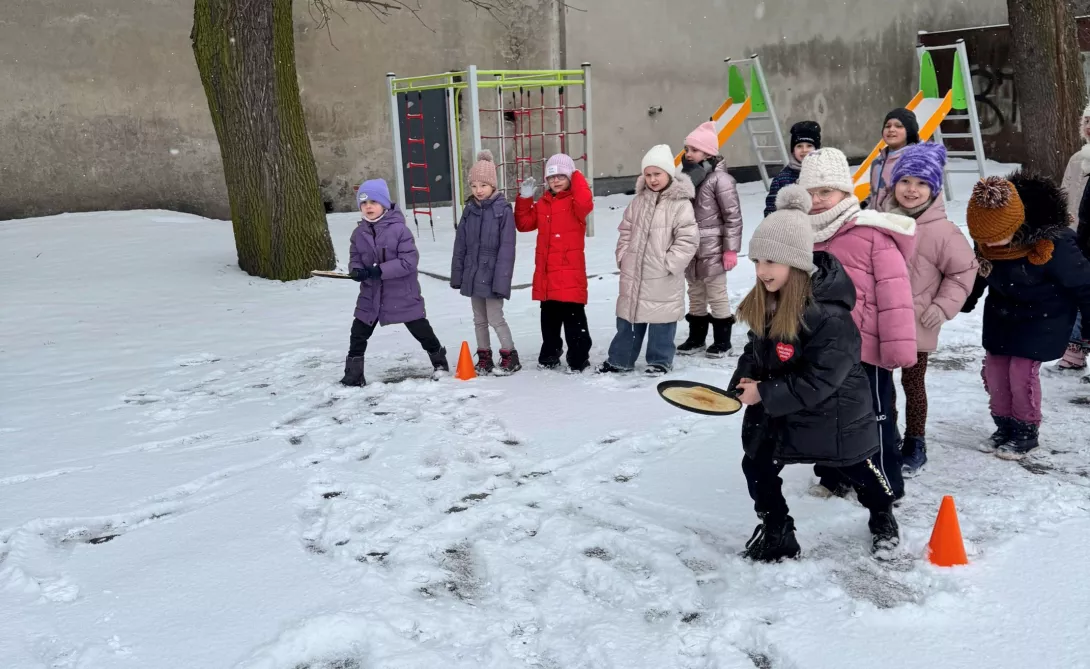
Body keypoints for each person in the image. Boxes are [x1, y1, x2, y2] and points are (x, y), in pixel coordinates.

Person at [730, 184, 900, 562]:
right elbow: (754, 350)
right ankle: (777, 529)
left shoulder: (830, 315)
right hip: (783, 409)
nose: (761, 271)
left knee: (859, 469)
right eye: (757, 261)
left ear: (796, 263)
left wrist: (767, 393)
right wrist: (743, 382)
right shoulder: (769, 299)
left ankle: (882, 514)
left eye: (771, 262)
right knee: (756, 464)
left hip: (835, 414)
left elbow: (823, 378)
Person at [799, 148, 917, 500]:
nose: (818, 200)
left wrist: (896, 347)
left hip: (867, 351)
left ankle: (884, 483)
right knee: (826, 414)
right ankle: (834, 474)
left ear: (845, 193)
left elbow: (894, 295)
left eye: (826, 191)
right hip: (821, 349)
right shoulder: (803, 234)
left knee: (873, 418)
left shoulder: (871, 233)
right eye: (811, 193)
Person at [961, 172, 1090, 458]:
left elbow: (1085, 285)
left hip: (1045, 315)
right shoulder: (986, 238)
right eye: (984, 241)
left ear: (1016, 223)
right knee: (994, 371)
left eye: (998, 239)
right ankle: (1004, 424)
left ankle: (1025, 430)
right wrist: (965, 300)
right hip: (1002, 313)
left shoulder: (1053, 244)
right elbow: (980, 274)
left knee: (1021, 374)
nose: (991, 246)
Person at [888, 143, 978, 476]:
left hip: (917, 322)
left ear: (934, 189)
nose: (912, 190)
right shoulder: (880, 220)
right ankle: (886, 435)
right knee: (880, 386)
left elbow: (964, 270)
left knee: (913, 385)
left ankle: (915, 440)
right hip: (880, 321)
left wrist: (942, 307)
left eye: (922, 183)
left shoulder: (943, 231)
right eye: (905, 181)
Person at [600, 144, 698, 374]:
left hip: (663, 274)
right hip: (634, 271)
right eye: (648, 174)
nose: (653, 179)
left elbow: (688, 239)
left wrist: (670, 263)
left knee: (662, 321)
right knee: (629, 319)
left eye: (658, 174)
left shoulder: (680, 204)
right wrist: (623, 257)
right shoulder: (638, 202)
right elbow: (625, 231)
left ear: (668, 174)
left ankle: (660, 360)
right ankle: (620, 359)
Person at [339, 179, 449, 386]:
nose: (368, 206)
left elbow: (409, 262)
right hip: (371, 295)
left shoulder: (399, 230)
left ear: (385, 204)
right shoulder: (358, 233)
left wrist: (378, 270)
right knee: (358, 333)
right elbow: (355, 256)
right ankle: (353, 373)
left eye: (373, 201)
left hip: (402, 294)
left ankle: (439, 361)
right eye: (363, 203)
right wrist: (356, 270)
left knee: (420, 329)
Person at [514, 153, 595, 372]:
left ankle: (579, 358)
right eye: (551, 178)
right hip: (547, 274)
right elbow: (523, 223)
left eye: (561, 176)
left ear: (570, 177)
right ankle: (550, 352)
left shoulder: (575, 204)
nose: (555, 181)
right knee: (548, 321)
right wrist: (524, 199)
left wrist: (577, 174)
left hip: (569, 273)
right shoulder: (543, 203)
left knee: (574, 322)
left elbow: (585, 202)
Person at [676, 122, 744, 358]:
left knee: (716, 293)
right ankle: (696, 338)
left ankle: (722, 341)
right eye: (687, 149)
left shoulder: (720, 180)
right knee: (695, 292)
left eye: (694, 149)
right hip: (691, 247)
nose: (689, 153)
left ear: (708, 152)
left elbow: (732, 216)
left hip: (714, 246)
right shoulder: (687, 177)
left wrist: (731, 249)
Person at [450, 150, 520, 374]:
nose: (478, 190)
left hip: (492, 276)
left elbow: (507, 250)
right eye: (474, 186)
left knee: (495, 318)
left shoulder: (503, 211)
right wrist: (458, 274)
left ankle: (510, 355)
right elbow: (460, 244)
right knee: (479, 319)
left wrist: (501, 282)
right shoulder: (470, 210)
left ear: (493, 186)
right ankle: (484, 356)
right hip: (473, 273)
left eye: (483, 185)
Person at [1056, 102, 1090, 372]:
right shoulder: (1077, 158)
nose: (1089, 126)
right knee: (1075, 290)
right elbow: (1065, 194)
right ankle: (1074, 348)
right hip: (1075, 234)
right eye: (1087, 121)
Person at [865, 108, 920, 212]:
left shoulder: (915, 161)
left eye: (898, 126)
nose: (891, 129)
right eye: (887, 126)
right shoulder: (878, 162)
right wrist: (865, 206)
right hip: (878, 221)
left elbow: (918, 200)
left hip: (900, 223)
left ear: (909, 130)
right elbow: (877, 193)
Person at [764, 120, 821, 217]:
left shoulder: (824, 173)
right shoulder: (782, 179)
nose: (804, 150)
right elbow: (771, 210)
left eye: (809, 145)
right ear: (793, 150)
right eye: (799, 146)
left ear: (816, 149)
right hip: (793, 228)